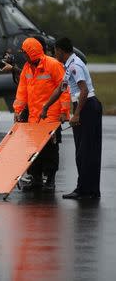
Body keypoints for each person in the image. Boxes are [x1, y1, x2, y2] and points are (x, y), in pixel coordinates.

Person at [41, 37, 102, 199]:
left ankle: (88, 191)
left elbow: (84, 91)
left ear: (60, 50)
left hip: (87, 106)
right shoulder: (68, 65)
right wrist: (46, 106)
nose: (54, 54)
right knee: (82, 151)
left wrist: (76, 113)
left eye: (55, 51)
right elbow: (61, 88)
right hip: (84, 106)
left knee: (87, 151)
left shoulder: (75, 65)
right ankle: (85, 189)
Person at [13, 38, 70, 192]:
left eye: (25, 53)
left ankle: (50, 180)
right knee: (33, 150)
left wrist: (64, 112)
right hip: (33, 117)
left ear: (31, 52)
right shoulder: (27, 67)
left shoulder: (53, 65)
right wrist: (18, 111)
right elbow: (22, 91)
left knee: (50, 150)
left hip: (50, 117)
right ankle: (36, 179)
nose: (23, 56)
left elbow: (64, 89)